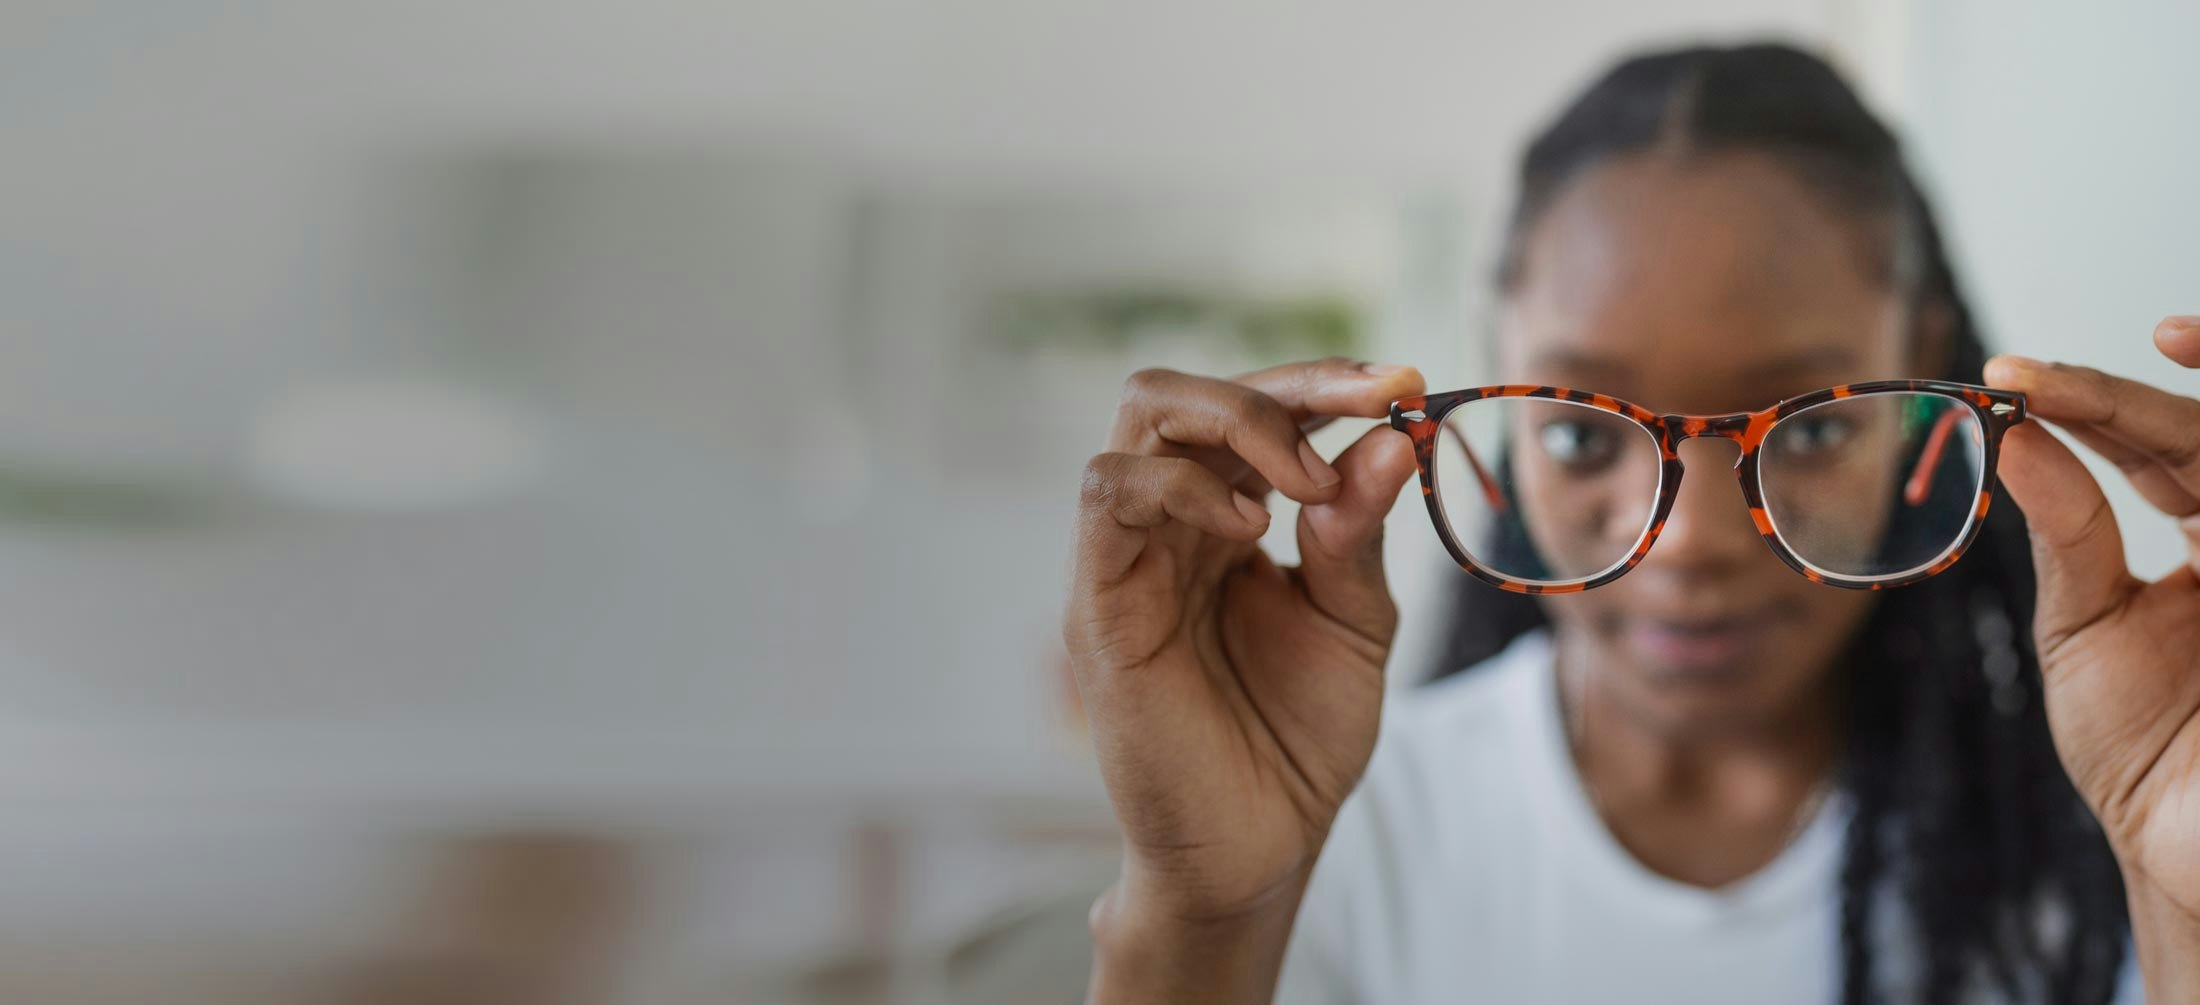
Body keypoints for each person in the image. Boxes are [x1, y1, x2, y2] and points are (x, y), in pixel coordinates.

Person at [1063, 43, 2200, 1003]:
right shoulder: (1348, 830)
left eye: (1809, 430)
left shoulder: (2101, 825)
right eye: (1579, 435)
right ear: (1506, 404)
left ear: (1921, 376)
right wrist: (1199, 915)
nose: (1691, 540)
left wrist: (2185, 914)